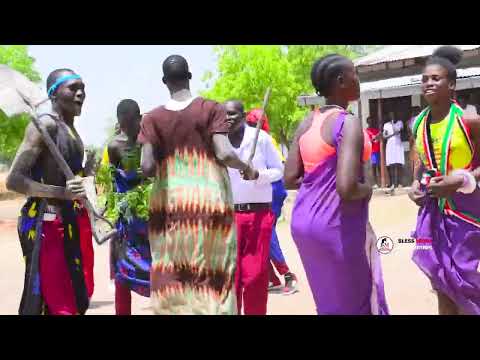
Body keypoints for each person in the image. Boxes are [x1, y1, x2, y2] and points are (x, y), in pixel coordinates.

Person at [137, 55, 257, 315]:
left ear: (164, 82)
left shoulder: (152, 118)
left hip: (170, 208)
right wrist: (247, 168)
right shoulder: (211, 108)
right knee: (214, 272)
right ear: (189, 76)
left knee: (173, 272)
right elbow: (224, 154)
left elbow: (146, 167)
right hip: (209, 204)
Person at [284, 54, 389, 315]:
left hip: (304, 226)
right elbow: (347, 187)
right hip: (335, 226)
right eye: (355, 74)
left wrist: (321, 186)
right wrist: (369, 188)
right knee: (356, 300)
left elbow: (290, 178)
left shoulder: (308, 122)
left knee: (329, 299)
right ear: (341, 80)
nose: (358, 80)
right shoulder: (347, 122)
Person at [7, 69, 94, 315]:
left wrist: (86, 173)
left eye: (83, 88)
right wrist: (61, 192)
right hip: (43, 222)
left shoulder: (72, 131)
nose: (81, 94)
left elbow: (70, 181)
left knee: (74, 293)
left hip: (67, 220)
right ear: (54, 94)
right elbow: (14, 180)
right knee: (54, 298)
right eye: (73, 88)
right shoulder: (44, 125)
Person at [409, 46, 480, 315]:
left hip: (466, 211)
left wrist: (459, 180)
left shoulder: (469, 121)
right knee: (440, 280)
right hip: (432, 211)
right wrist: (415, 185)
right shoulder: (417, 123)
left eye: (436, 78)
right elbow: (420, 166)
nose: (428, 83)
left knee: (463, 280)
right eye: (425, 79)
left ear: (451, 85)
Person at [225, 100, 284, 315]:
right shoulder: (218, 143)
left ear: (243, 115)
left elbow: (279, 170)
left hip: (258, 216)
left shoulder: (261, 139)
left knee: (256, 277)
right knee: (231, 278)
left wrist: (257, 175)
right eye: (225, 115)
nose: (228, 118)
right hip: (229, 218)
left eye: (232, 114)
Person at [106, 99, 152, 315]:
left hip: (150, 217)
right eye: (123, 124)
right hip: (126, 219)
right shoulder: (115, 145)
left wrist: (150, 175)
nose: (128, 128)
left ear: (139, 118)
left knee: (159, 271)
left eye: (132, 122)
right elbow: (113, 182)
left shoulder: (150, 142)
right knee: (122, 274)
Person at [245, 109, 298, 295]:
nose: (249, 127)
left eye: (251, 124)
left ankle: (288, 276)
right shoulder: (255, 138)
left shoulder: (264, 139)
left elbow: (276, 169)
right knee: (258, 235)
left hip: (272, 190)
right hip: (265, 190)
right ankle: (270, 278)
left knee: (266, 233)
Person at [383, 111, 404, 195]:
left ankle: (399, 183)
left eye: (393, 115)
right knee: (391, 164)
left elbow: (397, 130)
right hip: (390, 145)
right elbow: (385, 136)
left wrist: (392, 123)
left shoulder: (399, 122)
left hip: (398, 144)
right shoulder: (386, 125)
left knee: (398, 164)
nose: (392, 116)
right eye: (390, 115)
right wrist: (391, 135)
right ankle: (392, 183)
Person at [365, 116, 381, 188]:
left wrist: (377, 137)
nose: (370, 123)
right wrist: (374, 138)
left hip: (379, 150)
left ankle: (380, 182)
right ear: (367, 122)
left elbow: (380, 138)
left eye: (371, 121)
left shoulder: (376, 130)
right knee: (374, 166)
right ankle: (375, 183)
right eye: (369, 121)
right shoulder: (366, 131)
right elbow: (367, 141)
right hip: (373, 151)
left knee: (380, 167)